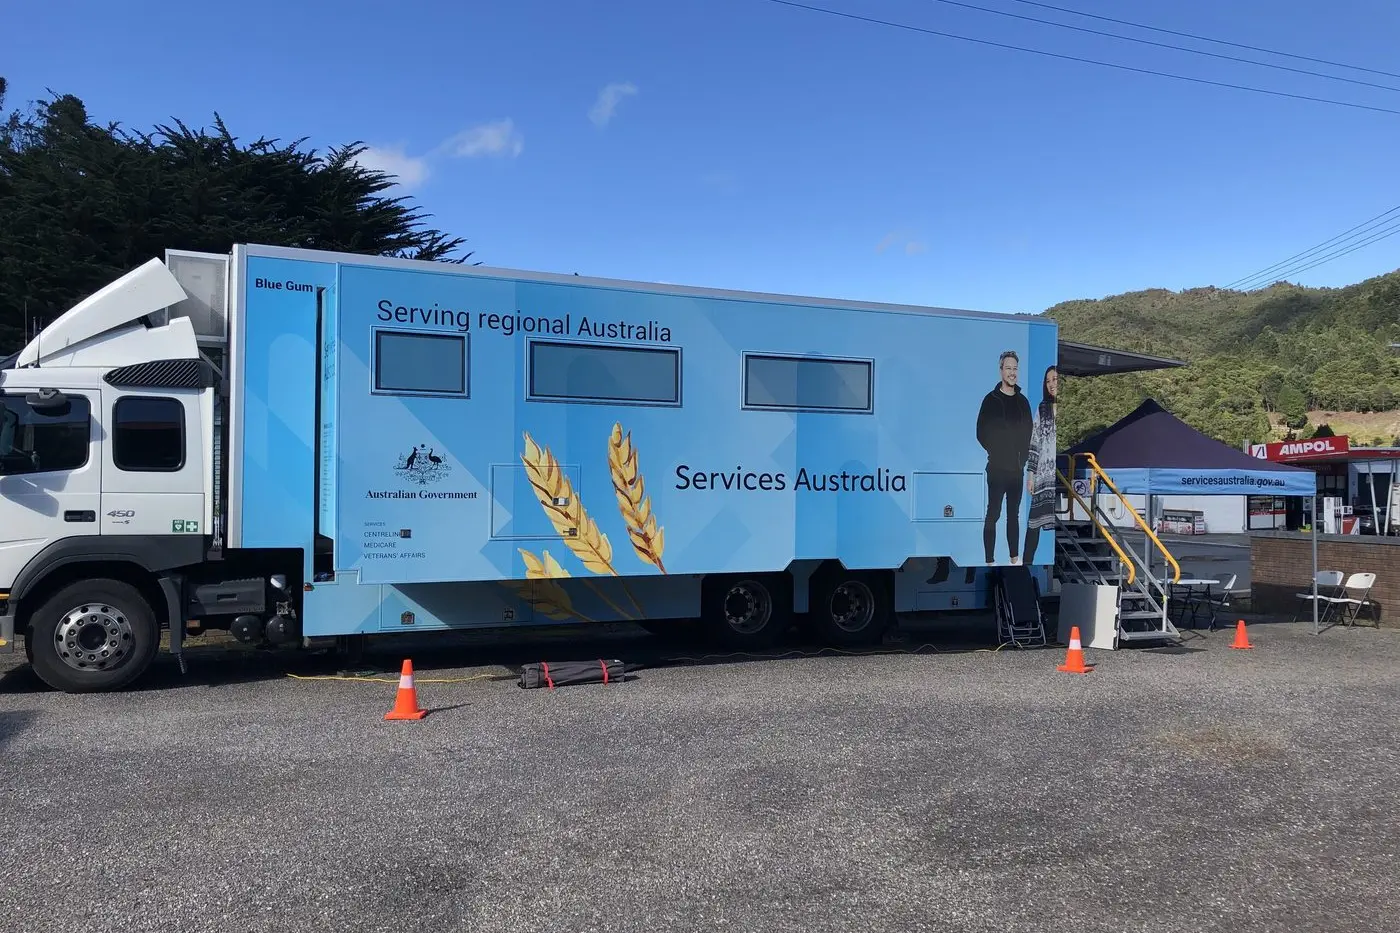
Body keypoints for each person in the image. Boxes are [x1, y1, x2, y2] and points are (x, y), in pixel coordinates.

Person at [975, 350, 1034, 564]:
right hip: (997, 468)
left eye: (1015, 369)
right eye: (1008, 368)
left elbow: (1030, 433)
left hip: (1017, 469)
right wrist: (996, 451)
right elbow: (981, 431)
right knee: (993, 513)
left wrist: (1023, 459)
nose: (1012, 372)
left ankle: (1013, 557)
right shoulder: (990, 400)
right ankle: (989, 559)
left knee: (1014, 516)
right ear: (1001, 371)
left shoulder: (1023, 402)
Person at [1023, 366, 1059, 565]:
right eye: (1048, 381)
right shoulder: (1043, 408)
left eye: (1055, 379)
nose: (1052, 384)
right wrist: (1030, 474)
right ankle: (1026, 562)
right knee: (1034, 522)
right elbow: (1034, 441)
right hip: (1044, 475)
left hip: (1059, 476)